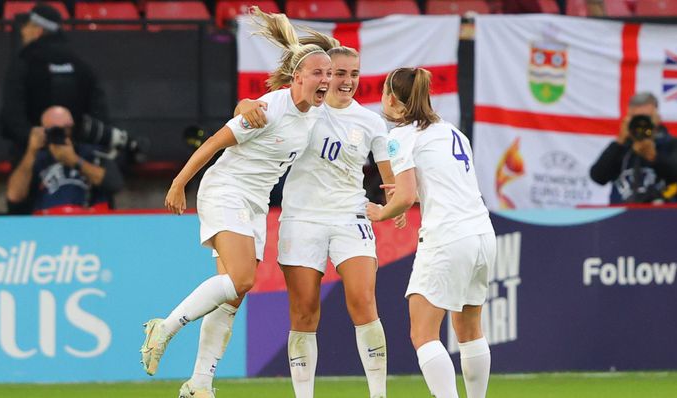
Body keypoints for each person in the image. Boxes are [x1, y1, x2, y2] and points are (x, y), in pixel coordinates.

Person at [139, 7, 332, 398]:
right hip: (226, 189)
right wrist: (179, 183)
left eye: (329, 74)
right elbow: (213, 142)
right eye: (319, 73)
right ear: (298, 78)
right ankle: (165, 328)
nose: (326, 80)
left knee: (232, 296)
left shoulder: (313, 113)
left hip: (256, 202)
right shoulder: (269, 108)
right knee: (243, 278)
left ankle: (199, 385)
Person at [230, 32, 407, 398]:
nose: (347, 80)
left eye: (354, 73)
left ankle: (378, 393)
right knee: (304, 313)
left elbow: (390, 179)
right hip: (301, 218)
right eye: (339, 72)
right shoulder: (304, 107)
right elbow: (248, 110)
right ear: (325, 74)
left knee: (363, 301)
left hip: (349, 216)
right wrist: (245, 103)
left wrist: (395, 206)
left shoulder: (371, 122)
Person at [366, 68, 496, 398]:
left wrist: (382, 211)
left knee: (423, 333)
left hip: (447, 237)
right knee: (469, 328)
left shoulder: (400, 136)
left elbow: (406, 196)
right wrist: (411, 192)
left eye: (383, 91)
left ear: (392, 99)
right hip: (481, 234)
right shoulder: (451, 131)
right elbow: (441, 187)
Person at [0, 3, 108, 167]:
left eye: (27, 26)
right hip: (77, 158)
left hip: (33, 161)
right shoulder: (81, 65)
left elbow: (11, 118)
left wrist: (38, 142)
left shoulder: (22, 65)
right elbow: (99, 114)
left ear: (38, 30)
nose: (22, 31)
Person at [5, 106, 123, 214]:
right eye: (55, 131)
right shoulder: (37, 159)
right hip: (48, 222)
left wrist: (75, 161)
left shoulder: (92, 153)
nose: (62, 134)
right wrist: (31, 151)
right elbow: (14, 196)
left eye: (67, 128)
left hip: (89, 220)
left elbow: (115, 184)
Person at [590, 92, 677, 204]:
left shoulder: (672, 144)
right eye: (637, 118)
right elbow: (598, 177)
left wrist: (654, 156)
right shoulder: (621, 148)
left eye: (647, 118)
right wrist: (619, 142)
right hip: (622, 216)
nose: (642, 123)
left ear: (657, 118)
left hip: (663, 215)